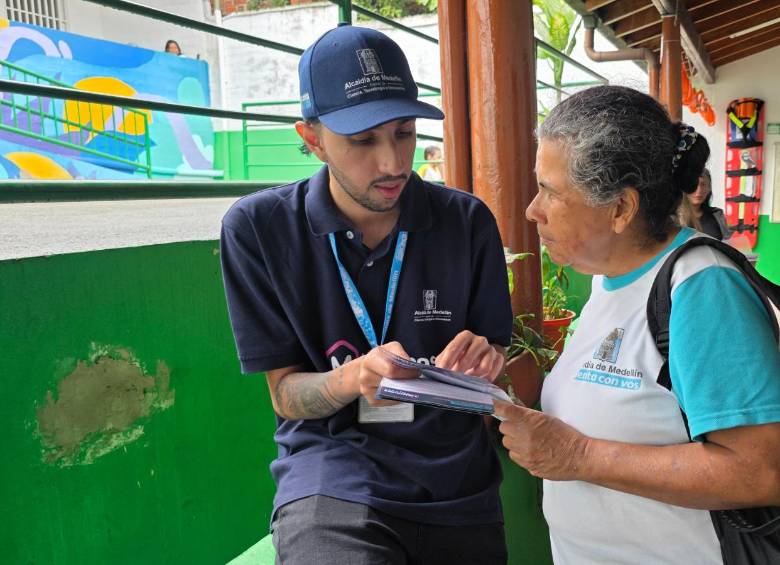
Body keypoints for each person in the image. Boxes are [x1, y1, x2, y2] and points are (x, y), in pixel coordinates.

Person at [220, 25, 512, 564]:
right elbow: (286, 396)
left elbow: (498, 352)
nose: (394, 163)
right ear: (311, 138)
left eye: (404, 132)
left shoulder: (467, 221)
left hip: (459, 479)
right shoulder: (258, 229)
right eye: (363, 140)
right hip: (334, 473)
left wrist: (488, 358)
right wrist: (356, 377)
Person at [494, 85, 780, 564]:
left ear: (621, 208)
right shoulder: (609, 282)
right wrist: (490, 384)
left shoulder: (701, 287)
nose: (532, 209)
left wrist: (579, 457)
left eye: (550, 190)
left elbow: (760, 469)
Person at [679, 168, 731, 240]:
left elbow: (728, 244)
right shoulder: (674, 219)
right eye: (694, 185)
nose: (699, 190)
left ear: (709, 188)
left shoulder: (717, 215)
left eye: (703, 184)